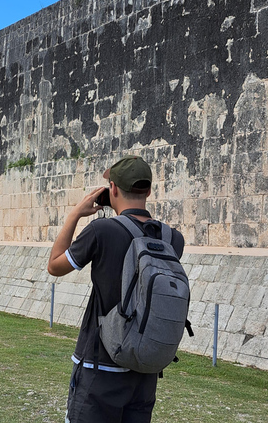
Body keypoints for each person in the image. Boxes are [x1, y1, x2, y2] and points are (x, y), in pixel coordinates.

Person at [47, 156, 184, 423]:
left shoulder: (102, 230)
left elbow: (55, 265)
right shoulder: (171, 239)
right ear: (148, 191)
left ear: (112, 189)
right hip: (144, 369)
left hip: (100, 367)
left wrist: (75, 213)